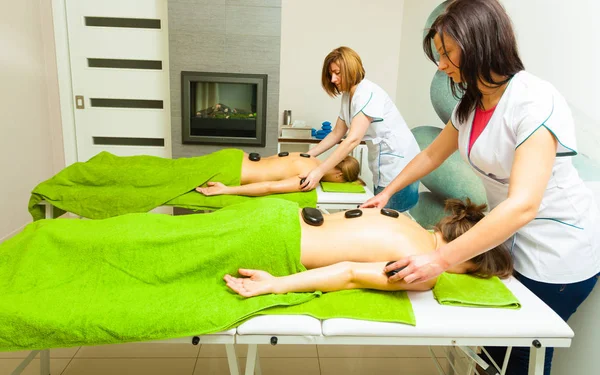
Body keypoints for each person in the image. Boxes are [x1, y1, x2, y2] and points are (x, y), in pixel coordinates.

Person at [361, 1, 600, 374]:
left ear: (478, 43)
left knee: (521, 357)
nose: (441, 65)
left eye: (446, 53)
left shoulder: (534, 99)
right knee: (493, 352)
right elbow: (430, 157)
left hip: (558, 251)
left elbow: (523, 205)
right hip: (507, 241)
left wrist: (439, 260)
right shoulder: (470, 106)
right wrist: (386, 192)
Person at [225, 199, 513, 297]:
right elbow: (349, 273)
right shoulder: (423, 268)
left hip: (276, 213)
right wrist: (276, 285)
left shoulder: (406, 219)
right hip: (273, 241)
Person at [298, 46, 421, 212]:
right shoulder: (348, 96)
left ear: (350, 69)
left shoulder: (367, 92)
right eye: (331, 74)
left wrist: (319, 171)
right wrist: (307, 155)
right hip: (385, 162)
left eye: (337, 72)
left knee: (391, 219)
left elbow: (353, 139)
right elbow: (336, 134)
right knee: (384, 216)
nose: (333, 79)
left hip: (400, 163)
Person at [196, 151, 363, 197]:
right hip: (233, 172)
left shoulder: (310, 157)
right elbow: (270, 187)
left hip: (235, 156)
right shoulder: (308, 178)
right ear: (340, 177)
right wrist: (226, 189)